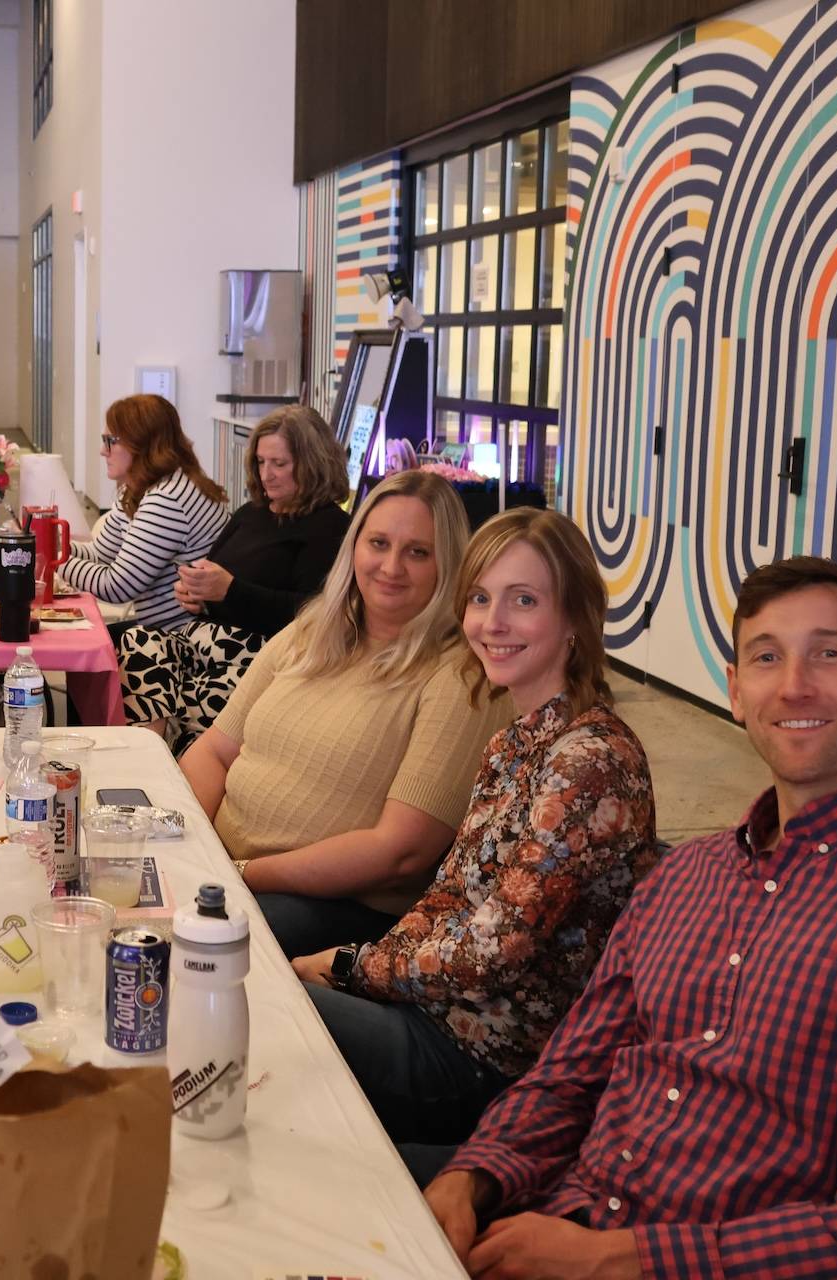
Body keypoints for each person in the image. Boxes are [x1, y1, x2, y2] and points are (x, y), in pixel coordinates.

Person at [422, 556, 837, 1280]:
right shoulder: (688, 877)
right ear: (734, 691)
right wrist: (472, 1177)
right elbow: (570, 1074)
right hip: (563, 1220)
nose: (793, 685)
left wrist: (618, 1259)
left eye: (830, 653)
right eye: (766, 657)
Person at [291, 507, 658, 1151]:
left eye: (524, 600)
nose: (494, 623)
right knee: (265, 989)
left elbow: (492, 953)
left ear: (574, 617)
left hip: (489, 1065)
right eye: (482, 598)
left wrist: (353, 967)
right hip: (438, 1013)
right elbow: (449, 897)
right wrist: (358, 969)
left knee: (266, 1018)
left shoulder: (587, 762)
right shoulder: (517, 740)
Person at [180, 470, 509, 958]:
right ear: (354, 546)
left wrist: (240, 872)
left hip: (335, 905)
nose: (391, 567)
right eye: (378, 543)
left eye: (418, 552)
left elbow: (399, 853)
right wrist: (193, 849)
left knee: (188, 945)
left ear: (449, 567)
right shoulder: (313, 631)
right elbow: (214, 749)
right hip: (226, 868)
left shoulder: (460, 677)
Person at [118, 404, 351, 752]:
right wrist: (196, 594)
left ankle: (173, 758)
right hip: (202, 638)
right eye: (261, 462)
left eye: (279, 464)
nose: (266, 474)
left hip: (259, 653)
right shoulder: (252, 513)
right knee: (137, 641)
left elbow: (313, 613)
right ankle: (149, 755)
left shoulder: (328, 527)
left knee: (192, 694)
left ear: (312, 463)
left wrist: (230, 591)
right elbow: (216, 579)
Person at [59, 394, 230, 632]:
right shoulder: (139, 488)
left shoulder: (167, 498)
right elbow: (101, 554)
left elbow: (117, 586)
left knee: (80, 644)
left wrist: (54, 560)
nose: (102, 450)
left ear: (141, 444)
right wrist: (52, 544)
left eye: (110, 440)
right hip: (165, 627)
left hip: (185, 635)